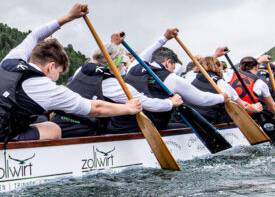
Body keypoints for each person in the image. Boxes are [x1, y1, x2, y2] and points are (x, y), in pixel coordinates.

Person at [0, 4, 142, 144]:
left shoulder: (11, 60)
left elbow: (34, 36)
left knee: (39, 119)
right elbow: (95, 108)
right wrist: (128, 108)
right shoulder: (44, 86)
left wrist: (68, 17)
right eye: (58, 72)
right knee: (53, 128)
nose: (57, 79)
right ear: (51, 66)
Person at [51, 33, 181, 138]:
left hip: (57, 122)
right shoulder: (111, 84)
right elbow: (147, 103)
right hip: (82, 132)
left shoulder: (82, 69)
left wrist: (114, 44)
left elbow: (106, 56)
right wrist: (170, 103)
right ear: (116, 63)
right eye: (122, 62)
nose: (123, 66)